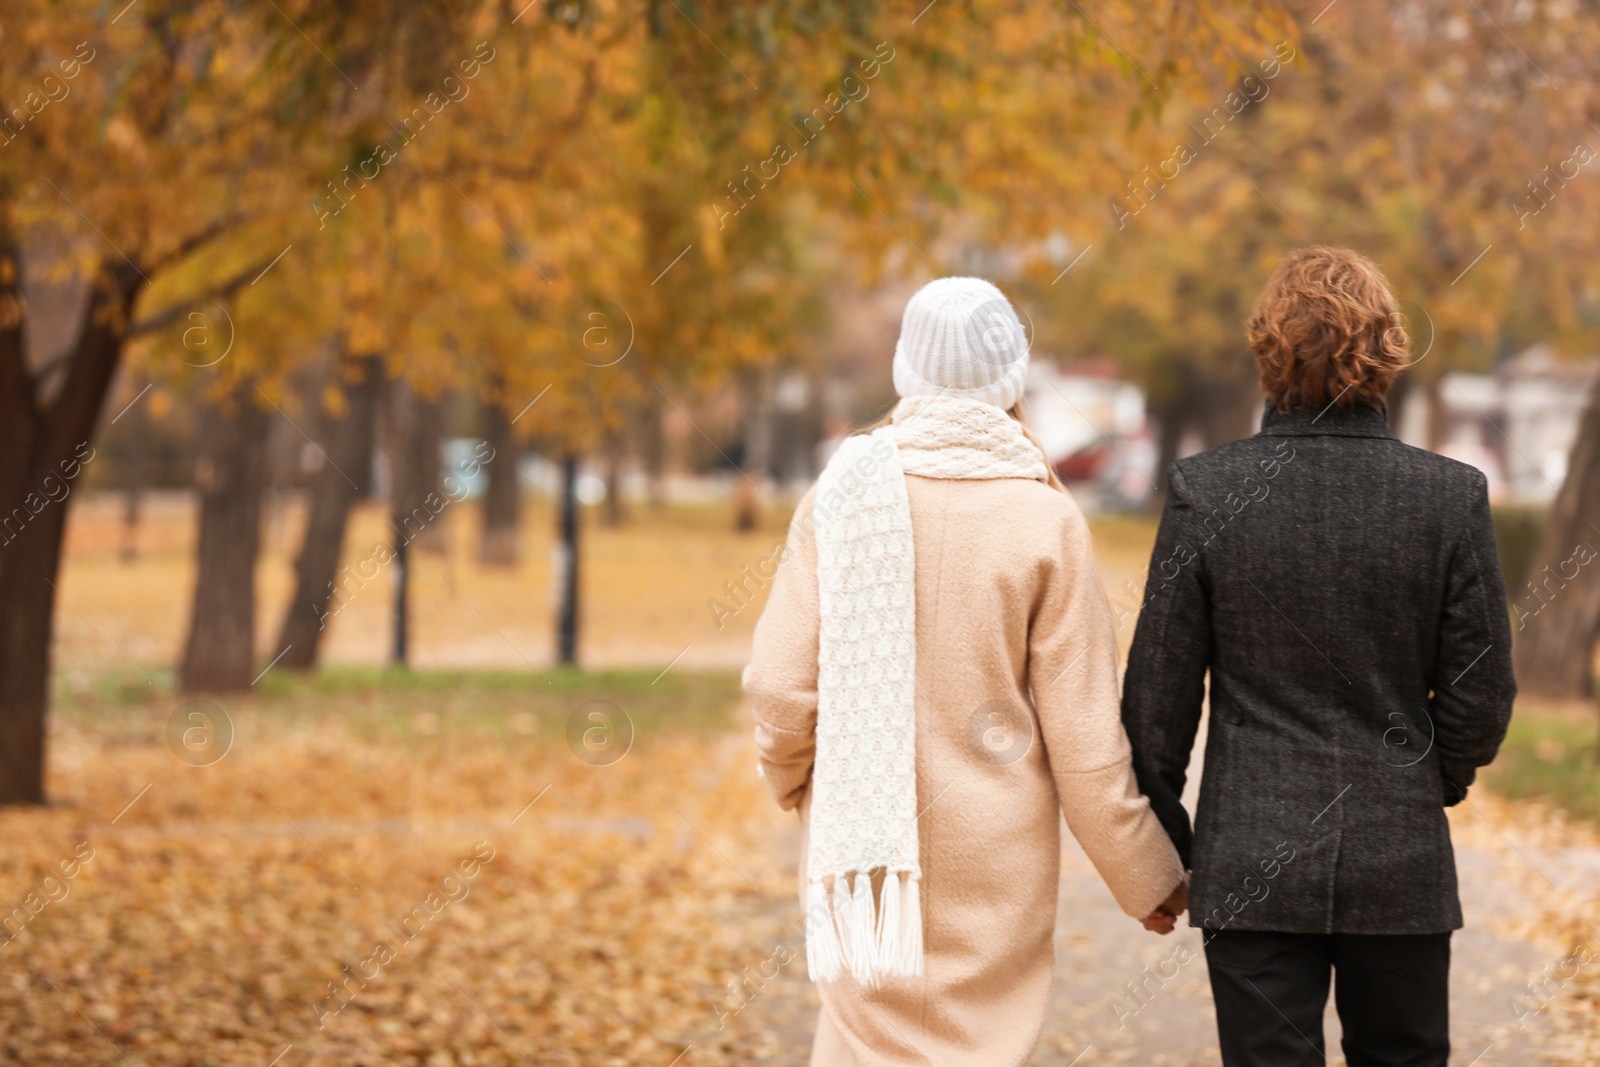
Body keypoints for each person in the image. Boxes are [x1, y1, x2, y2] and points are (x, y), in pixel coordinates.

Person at [744, 276, 1187, 1066]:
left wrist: (793, 779)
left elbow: (780, 688)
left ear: (905, 368)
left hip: (865, 869)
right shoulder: (1045, 518)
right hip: (996, 873)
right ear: (1009, 374)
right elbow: (1086, 740)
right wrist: (1145, 874)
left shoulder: (841, 495)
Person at [1121, 246, 1517, 1067]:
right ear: (1388, 352)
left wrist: (1163, 842)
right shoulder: (1449, 495)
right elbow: (1482, 697)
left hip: (1253, 861)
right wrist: (1425, 780)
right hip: (1398, 862)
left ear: (1269, 352)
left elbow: (1158, 701)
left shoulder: (1207, 490)